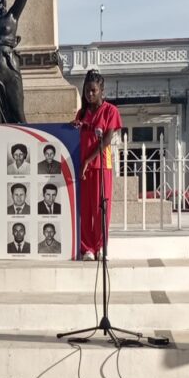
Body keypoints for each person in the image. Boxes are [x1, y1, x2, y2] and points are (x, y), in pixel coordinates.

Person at [73, 69, 122, 261]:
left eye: (93, 90)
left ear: (102, 91)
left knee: (101, 208)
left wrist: (88, 160)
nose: (90, 94)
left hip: (102, 167)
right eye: (87, 90)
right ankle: (87, 249)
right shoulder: (81, 113)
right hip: (83, 169)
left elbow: (107, 140)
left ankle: (101, 246)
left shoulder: (111, 111)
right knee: (85, 209)